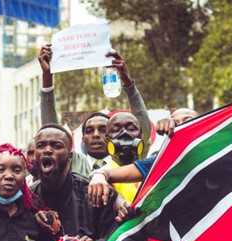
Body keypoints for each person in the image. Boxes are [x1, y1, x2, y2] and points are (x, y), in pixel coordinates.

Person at [38, 44, 152, 174]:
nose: (96, 135)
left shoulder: (131, 158)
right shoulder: (71, 162)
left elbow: (144, 130)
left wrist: (127, 82)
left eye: (103, 130)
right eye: (89, 131)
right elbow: (51, 131)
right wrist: (47, 77)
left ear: (111, 136)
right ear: (82, 140)